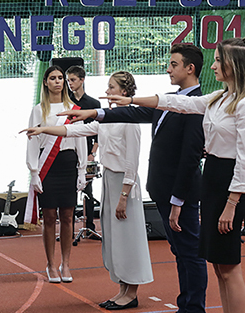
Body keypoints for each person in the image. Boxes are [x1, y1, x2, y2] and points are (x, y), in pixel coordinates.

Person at [75, 37, 245, 313]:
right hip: (212, 178)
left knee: (230, 267)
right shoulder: (219, 98)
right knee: (220, 268)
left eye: (218, 61)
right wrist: (129, 99)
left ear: (234, 65)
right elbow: (176, 103)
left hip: (228, 182)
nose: (213, 66)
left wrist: (233, 202)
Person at [71, 44, 209, 312]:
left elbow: (190, 157)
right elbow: (135, 112)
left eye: (174, 64)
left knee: (190, 254)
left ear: (190, 69)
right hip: (162, 190)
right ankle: (186, 305)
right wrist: (95, 112)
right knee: (180, 253)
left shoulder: (197, 105)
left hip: (179, 193)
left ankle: (194, 308)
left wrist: (178, 198)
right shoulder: (171, 100)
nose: (168, 69)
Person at [22, 71, 152, 310]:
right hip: (111, 181)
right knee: (115, 238)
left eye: (111, 87)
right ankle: (123, 289)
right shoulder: (109, 116)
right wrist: (43, 130)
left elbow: (132, 162)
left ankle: (132, 292)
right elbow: (76, 131)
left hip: (125, 184)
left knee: (128, 238)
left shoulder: (131, 120)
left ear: (124, 93)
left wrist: (124, 196)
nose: (108, 90)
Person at [25, 65, 87, 283]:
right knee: (49, 216)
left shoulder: (73, 108)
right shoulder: (38, 109)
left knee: (68, 216)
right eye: (53, 78)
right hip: (47, 166)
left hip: (68, 163)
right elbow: (32, 141)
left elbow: (80, 137)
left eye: (61, 78)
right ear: (45, 82)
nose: (58, 81)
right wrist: (34, 172)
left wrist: (82, 170)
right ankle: (51, 264)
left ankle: (66, 263)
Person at [66, 65, 101, 238]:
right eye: (68, 80)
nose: (69, 84)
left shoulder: (93, 104)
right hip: (70, 151)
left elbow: (99, 132)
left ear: (82, 80)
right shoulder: (66, 102)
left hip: (87, 151)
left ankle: (90, 227)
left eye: (73, 80)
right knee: (70, 190)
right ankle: (69, 229)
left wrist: (92, 153)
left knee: (88, 190)